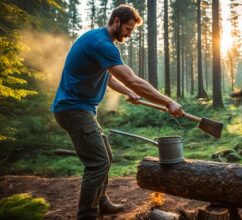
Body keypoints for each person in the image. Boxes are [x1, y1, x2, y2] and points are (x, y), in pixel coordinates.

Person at [51, 4, 183, 219]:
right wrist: (168, 102)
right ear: (116, 21)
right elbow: (132, 79)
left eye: (132, 31)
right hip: (73, 110)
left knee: (106, 157)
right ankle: (87, 214)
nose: (129, 34)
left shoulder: (98, 39)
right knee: (98, 163)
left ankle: (100, 202)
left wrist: (128, 93)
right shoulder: (103, 44)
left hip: (78, 109)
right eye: (128, 29)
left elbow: (109, 77)